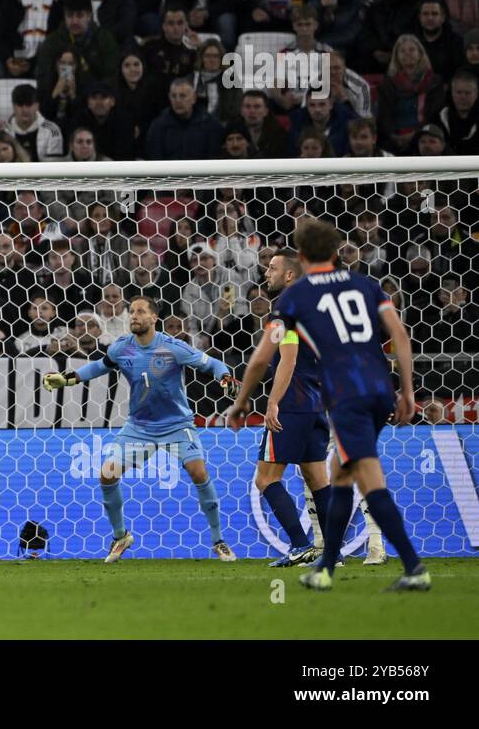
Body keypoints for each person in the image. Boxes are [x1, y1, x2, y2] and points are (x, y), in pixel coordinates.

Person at [268, 219, 431, 593]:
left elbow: (269, 352)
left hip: (347, 395)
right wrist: (407, 390)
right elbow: (401, 335)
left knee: (369, 481)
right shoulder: (368, 285)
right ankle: (326, 567)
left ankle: (413, 566)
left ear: (304, 256)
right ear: (336, 251)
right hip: (380, 389)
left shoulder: (299, 295)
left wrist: (250, 398)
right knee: (340, 473)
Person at [44, 296, 241, 562]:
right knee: (107, 474)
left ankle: (219, 541)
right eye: (132, 312)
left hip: (177, 425)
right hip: (139, 428)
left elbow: (210, 363)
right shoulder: (122, 348)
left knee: (198, 471)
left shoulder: (173, 347)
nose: (134, 316)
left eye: (140, 312)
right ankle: (120, 535)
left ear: (154, 318)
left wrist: (224, 375)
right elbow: (100, 367)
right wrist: (68, 379)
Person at [226, 249, 333, 567]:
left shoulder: (283, 313)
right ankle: (331, 549)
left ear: (290, 275)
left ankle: (301, 545)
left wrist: (270, 401)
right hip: (315, 405)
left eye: (272, 268)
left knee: (265, 479)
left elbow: (286, 359)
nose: (265, 273)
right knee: (317, 479)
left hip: (291, 406)